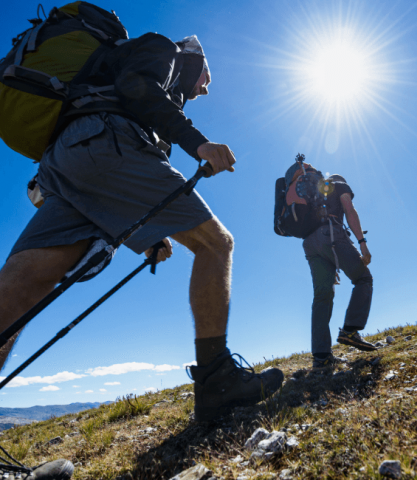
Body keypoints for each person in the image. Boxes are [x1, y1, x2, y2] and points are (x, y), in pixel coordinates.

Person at [0, 33, 284, 433]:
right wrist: (198, 143)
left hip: (64, 160)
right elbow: (138, 88)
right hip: (107, 139)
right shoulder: (163, 48)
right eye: (207, 77)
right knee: (216, 244)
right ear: (194, 58)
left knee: (23, 283)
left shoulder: (116, 74)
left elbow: (129, 182)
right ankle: (218, 380)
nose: (204, 89)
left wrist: (150, 234)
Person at [284, 162, 376, 369]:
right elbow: (349, 210)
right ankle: (350, 330)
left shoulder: (310, 191)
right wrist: (363, 244)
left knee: (322, 297)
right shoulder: (338, 183)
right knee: (363, 279)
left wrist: (331, 263)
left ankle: (322, 357)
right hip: (331, 234)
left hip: (309, 244)